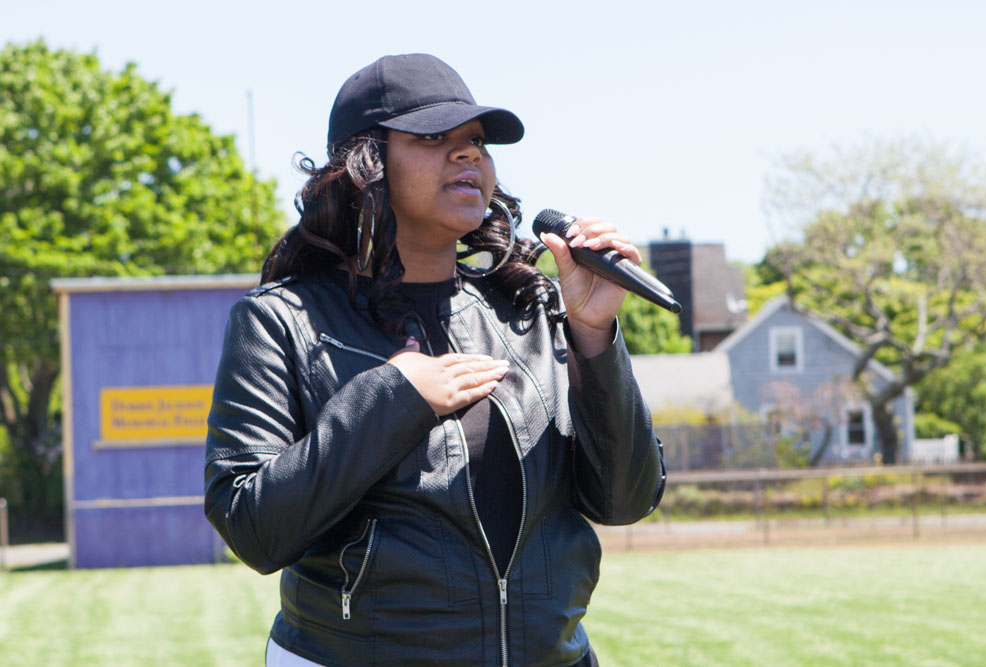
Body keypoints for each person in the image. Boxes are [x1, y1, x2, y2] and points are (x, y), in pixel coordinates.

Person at [204, 53, 665, 667]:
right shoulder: (279, 320)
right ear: (365, 164)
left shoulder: (530, 310)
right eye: (432, 137)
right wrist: (390, 400)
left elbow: (626, 501)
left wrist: (592, 334)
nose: (468, 154)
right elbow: (252, 526)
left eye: (476, 141)